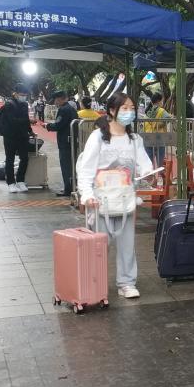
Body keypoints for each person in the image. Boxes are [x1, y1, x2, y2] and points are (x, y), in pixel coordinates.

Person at [76, 93, 153, 300]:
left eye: (132, 108)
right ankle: (94, 283)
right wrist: (87, 194)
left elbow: (144, 165)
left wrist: (149, 174)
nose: (130, 112)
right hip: (101, 200)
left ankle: (127, 283)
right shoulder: (98, 137)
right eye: (125, 108)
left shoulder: (134, 140)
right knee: (99, 245)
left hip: (126, 199)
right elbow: (86, 169)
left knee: (127, 245)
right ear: (112, 110)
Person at [0, 83, 33, 193]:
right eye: (22, 94)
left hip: (22, 135)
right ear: (15, 94)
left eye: (25, 95)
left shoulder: (24, 104)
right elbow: (12, 121)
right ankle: (11, 183)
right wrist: (26, 121)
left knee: (24, 158)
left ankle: (20, 180)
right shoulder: (9, 104)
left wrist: (30, 131)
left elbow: (26, 119)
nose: (24, 97)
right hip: (10, 136)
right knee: (10, 159)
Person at [46, 90, 77, 197]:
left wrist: (47, 126)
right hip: (72, 141)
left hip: (65, 142)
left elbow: (58, 125)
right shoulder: (71, 109)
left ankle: (68, 189)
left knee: (66, 166)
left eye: (55, 100)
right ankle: (73, 186)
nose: (55, 102)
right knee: (71, 165)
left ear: (59, 99)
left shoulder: (63, 110)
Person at [143, 92, 170, 166]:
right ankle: (160, 172)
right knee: (160, 161)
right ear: (159, 101)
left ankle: (150, 173)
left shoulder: (148, 111)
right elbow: (168, 118)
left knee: (148, 162)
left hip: (148, 138)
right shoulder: (161, 110)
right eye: (162, 101)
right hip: (159, 138)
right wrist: (160, 125)